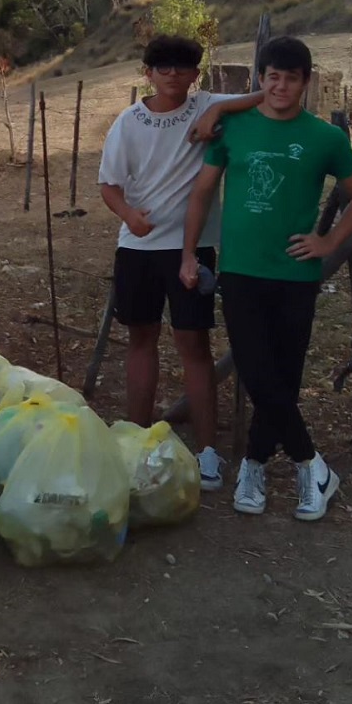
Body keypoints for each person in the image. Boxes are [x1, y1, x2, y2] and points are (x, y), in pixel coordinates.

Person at [181, 35, 352, 522]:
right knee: (256, 368)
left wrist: (329, 243)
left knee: (282, 377)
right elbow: (203, 193)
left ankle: (253, 464)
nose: (281, 86)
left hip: (295, 275)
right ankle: (313, 465)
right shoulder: (234, 128)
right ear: (261, 79)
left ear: (306, 83)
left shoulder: (325, 138)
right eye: (273, 77)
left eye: (291, 78)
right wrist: (188, 252)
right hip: (241, 271)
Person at [98, 35, 263, 492]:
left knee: (193, 344)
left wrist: (216, 111)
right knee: (140, 339)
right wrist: (130, 214)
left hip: (191, 249)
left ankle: (208, 451)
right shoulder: (128, 122)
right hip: (137, 248)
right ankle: (136, 438)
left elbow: (266, 93)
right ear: (147, 72)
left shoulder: (207, 103)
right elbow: (109, 184)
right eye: (163, 67)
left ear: (196, 73)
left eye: (183, 67)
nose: (173, 75)